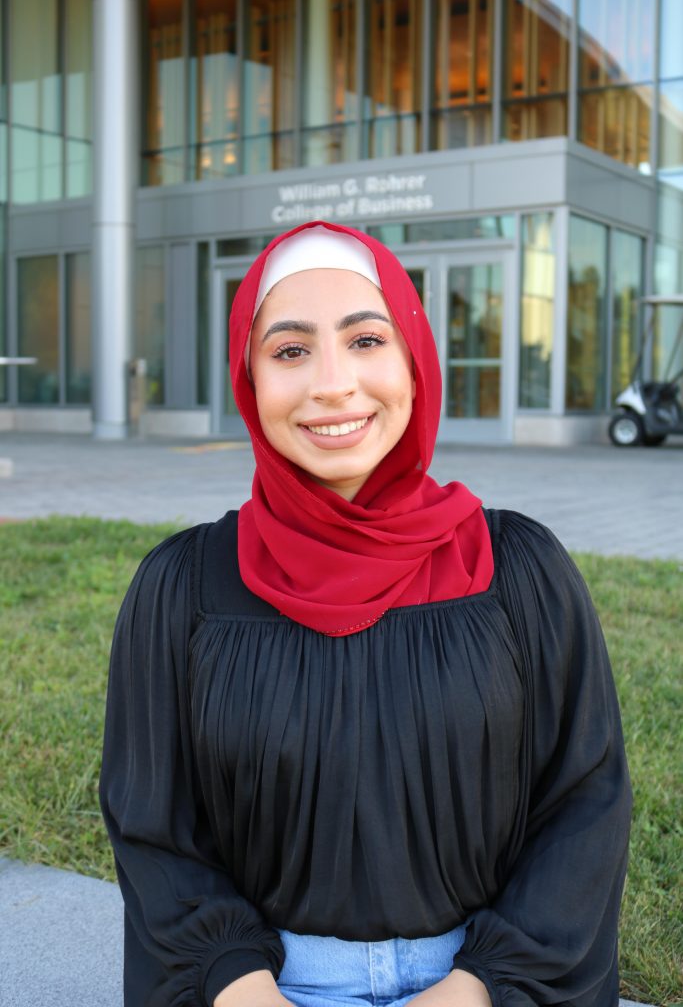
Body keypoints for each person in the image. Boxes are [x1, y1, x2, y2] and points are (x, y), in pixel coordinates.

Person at [100, 221, 632, 1007]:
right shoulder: (182, 588)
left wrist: (479, 990)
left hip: (491, 986)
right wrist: (243, 990)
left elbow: (583, 800)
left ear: (413, 362)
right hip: (263, 987)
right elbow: (153, 828)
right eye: (289, 351)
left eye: (365, 340)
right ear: (249, 381)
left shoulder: (519, 570)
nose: (332, 384)